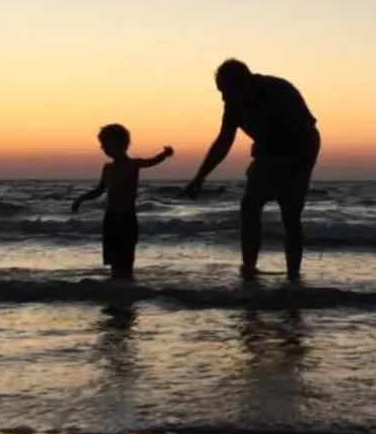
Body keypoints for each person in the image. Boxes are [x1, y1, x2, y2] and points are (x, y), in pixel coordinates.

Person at [184, 59, 320, 281]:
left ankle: (293, 275)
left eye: (226, 91)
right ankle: (249, 268)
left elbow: (299, 133)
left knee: (290, 212)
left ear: (243, 84)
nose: (224, 98)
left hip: (301, 146)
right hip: (268, 149)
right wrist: (200, 176)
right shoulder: (233, 105)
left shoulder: (278, 90)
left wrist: (279, 166)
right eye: (221, 93)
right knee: (249, 207)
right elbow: (224, 141)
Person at [72, 124, 173, 279]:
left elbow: (152, 161)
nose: (103, 148)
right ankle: (117, 292)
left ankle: (126, 289)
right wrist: (81, 199)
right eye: (102, 144)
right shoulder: (108, 168)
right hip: (111, 218)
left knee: (126, 257)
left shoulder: (133, 164)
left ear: (123, 144)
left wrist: (165, 154)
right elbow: (99, 190)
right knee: (113, 259)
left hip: (127, 217)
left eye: (106, 144)